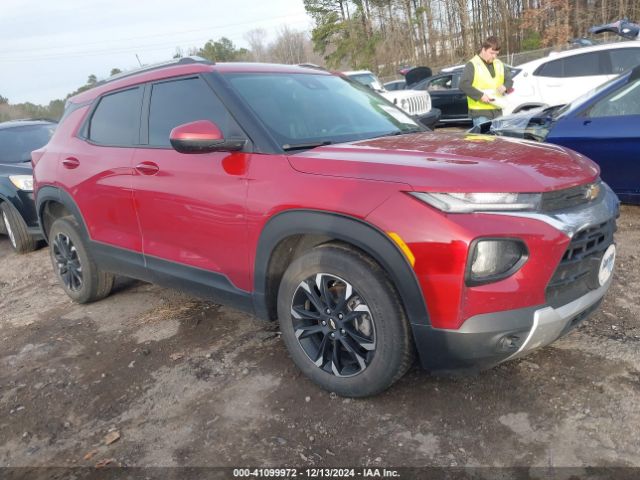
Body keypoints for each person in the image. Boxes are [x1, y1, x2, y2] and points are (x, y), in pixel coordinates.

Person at [459, 36, 513, 127]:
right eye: (491, 53)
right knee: (484, 140)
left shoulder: (499, 64)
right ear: (483, 49)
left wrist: (505, 86)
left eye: (496, 54)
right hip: (481, 113)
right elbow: (463, 84)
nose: (494, 56)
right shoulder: (472, 64)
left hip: (497, 111)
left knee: (497, 141)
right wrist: (480, 95)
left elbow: (509, 80)